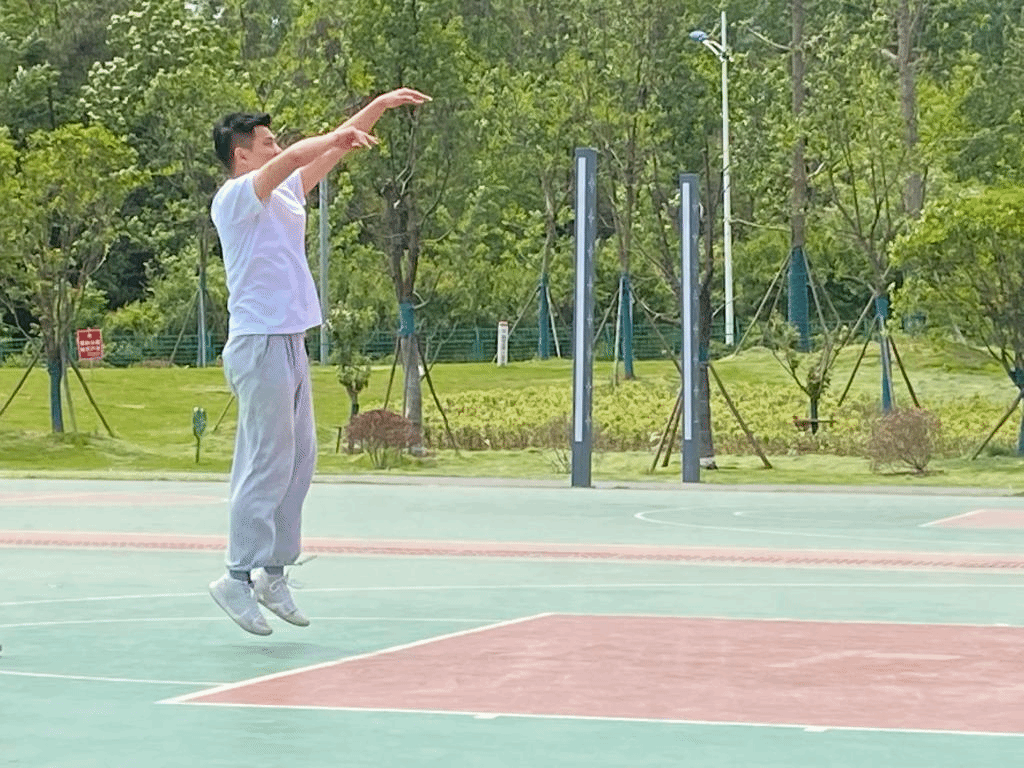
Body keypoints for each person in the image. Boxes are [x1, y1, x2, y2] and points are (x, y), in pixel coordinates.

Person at [208, 88, 431, 635]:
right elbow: (296, 156)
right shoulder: (235, 197)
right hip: (258, 342)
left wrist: (377, 107)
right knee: (265, 462)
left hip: (290, 339)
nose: (276, 147)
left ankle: (273, 572)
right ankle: (236, 576)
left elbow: (330, 152)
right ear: (242, 153)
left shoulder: (284, 194)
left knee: (299, 462)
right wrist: (330, 136)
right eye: (266, 142)